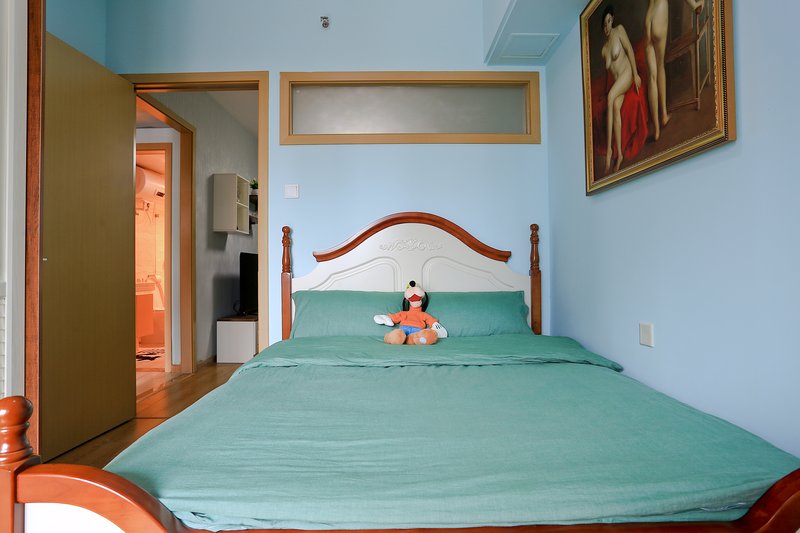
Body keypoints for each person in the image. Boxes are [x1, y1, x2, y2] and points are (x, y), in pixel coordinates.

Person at [644, 0, 704, 141]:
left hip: (647, 21)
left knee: (651, 77)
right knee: (660, 67)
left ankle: (657, 130)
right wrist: (695, 5)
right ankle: (664, 116)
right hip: (659, 16)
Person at [601, 5, 642, 173]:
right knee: (615, 107)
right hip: (619, 82)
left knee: (611, 97)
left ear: (613, 20)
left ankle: (609, 152)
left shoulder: (619, 30)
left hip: (627, 74)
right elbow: (608, 74)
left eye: (609, 21)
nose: (607, 26)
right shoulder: (604, 50)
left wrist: (636, 74)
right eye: (604, 24)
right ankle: (619, 154)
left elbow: (630, 50)